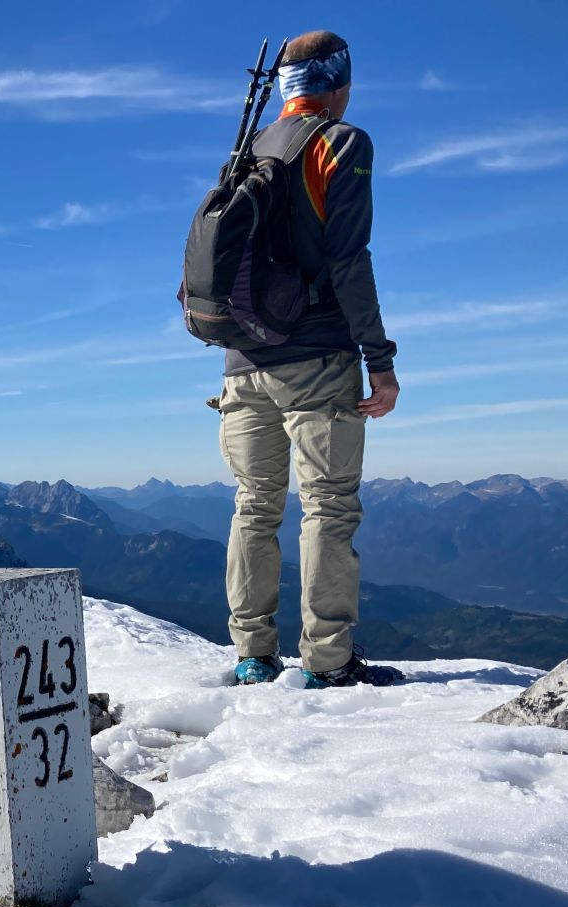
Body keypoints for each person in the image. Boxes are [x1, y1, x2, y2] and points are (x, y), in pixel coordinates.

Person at [213, 30, 403, 687]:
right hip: (318, 357)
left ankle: (252, 656)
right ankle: (327, 662)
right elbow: (350, 260)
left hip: (241, 364)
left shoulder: (246, 152)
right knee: (327, 505)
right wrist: (379, 359)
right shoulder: (341, 143)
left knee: (255, 504)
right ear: (340, 83)